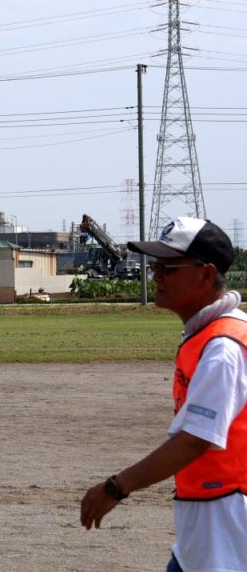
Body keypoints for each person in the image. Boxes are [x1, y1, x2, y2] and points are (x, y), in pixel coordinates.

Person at [80, 217, 245, 572]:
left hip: (227, 524)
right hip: (205, 519)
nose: (156, 275)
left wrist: (116, 487)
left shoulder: (223, 347)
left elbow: (195, 439)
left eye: (169, 267)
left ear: (205, 274)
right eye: (156, 265)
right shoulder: (207, 335)